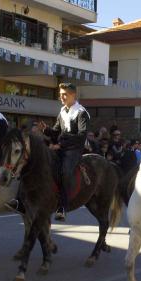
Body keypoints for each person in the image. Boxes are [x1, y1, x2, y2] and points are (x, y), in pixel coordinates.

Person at [37, 82, 90, 221]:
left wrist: (60, 144)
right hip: (61, 147)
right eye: (60, 94)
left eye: (64, 94)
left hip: (74, 149)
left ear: (73, 95)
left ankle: (63, 206)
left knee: (66, 171)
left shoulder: (81, 113)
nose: (61, 97)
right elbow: (56, 132)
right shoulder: (62, 111)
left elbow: (82, 136)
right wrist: (46, 130)